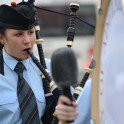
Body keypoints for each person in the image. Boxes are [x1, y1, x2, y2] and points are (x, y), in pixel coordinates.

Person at [0, 1, 91, 124]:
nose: (27, 41)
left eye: (31, 32)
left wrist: (66, 113)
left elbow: (76, 111)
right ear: (1, 38)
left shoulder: (49, 68)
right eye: (18, 34)